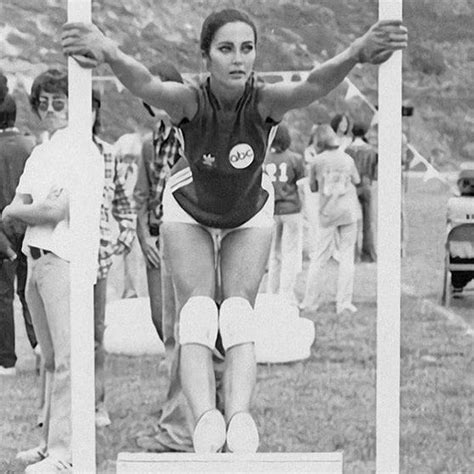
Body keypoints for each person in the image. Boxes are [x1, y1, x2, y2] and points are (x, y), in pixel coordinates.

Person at [62, 8, 407, 453]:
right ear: (206, 57)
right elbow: (145, 82)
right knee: (199, 314)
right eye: (226, 49)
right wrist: (108, 50)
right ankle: (205, 419)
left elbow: (315, 83)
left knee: (239, 314)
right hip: (189, 208)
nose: (238, 59)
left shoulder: (264, 102)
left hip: (248, 210)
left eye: (247, 48)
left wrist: (358, 52)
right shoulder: (190, 101)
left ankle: (239, 418)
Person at [3, 68, 103, 472]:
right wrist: (23, 209)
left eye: (59, 102)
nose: (50, 110)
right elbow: (26, 203)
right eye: (42, 103)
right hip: (37, 258)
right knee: (49, 357)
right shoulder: (44, 152)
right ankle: (49, 443)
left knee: (67, 359)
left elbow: (48, 209)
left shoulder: (82, 150)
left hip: (66, 259)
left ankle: (65, 452)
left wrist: (18, 209)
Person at [134, 61, 194, 452]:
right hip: (157, 236)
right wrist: (144, 238)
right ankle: (180, 417)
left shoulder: (194, 132)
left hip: (188, 237)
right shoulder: (149, 143)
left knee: (186, 330)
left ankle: (181, 423)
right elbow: (142, 197)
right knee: (164, 324)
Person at [91, 88, 137, 427]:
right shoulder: (52, 151)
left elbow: (123, 202)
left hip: (98, 260)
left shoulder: (108, 154)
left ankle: (96, 403)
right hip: (59, 257)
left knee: (95, 336)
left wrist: (122, 236)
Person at [0, 75, 38, 376]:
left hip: (2, 231)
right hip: (29, 225)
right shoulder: (31, 145)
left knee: (3, 295)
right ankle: (39, 347)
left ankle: (7, 360)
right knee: (30, 292)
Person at [300, 124, 360, 314]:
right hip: (348, 211)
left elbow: (313, 187)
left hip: (327, 212)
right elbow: (357, 180)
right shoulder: (347, 158)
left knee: (319, 258)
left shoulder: (317, 161)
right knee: (347, 256)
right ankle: (343, 303)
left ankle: (310, 302)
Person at [264, 124, 305, 305]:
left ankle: (271, 292)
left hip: (271, 210)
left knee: (274, 254)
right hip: (291, 209)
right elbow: (301, 187)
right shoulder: (295, 158)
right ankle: (286, 294)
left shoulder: (263, 160)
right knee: (289, 254)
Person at [114, 131, 144, 298]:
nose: (129, 162)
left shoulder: (136, 171)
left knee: (133, 254)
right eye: (126, 157)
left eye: (132, 158)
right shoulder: (118, 170)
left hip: (134, 216)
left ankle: (132, 289)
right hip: (120, 217)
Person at [346, 122, 378, 262]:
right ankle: (368, 254)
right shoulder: (372, 151)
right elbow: (375, 173)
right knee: (368, 222)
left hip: (352, 186)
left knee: (351, 222)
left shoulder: (347, 150)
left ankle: (352, 254)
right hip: (366, 185)